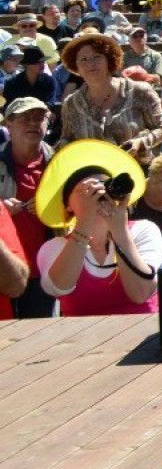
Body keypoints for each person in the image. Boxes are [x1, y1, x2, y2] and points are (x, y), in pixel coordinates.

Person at [34, 139, 162, 316]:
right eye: (86, 190)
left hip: (142, 338)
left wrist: (119, 230)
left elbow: (141, 294)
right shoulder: (54, 247)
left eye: (104, 185)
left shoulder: (143, 230)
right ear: (68, 205)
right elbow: (58, 288)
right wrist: (84, 222)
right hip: (81, 341)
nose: (99, 193)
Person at [57, 29, 162, 148]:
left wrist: (141, 143)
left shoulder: (140, 91)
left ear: (109, 60)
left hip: (136, 164)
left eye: (97, 57)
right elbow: (66, 139)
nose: (90, 63)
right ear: (76, 66)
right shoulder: (71, 104)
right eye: (83, 59)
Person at [0, 97, 56, 316]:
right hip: (7, 267)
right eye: (25, 118)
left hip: (46, 267)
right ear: (8, 124)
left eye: (39, 118)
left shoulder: (59, 162)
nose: (33, 123)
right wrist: (2, 208)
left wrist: (54, 207)